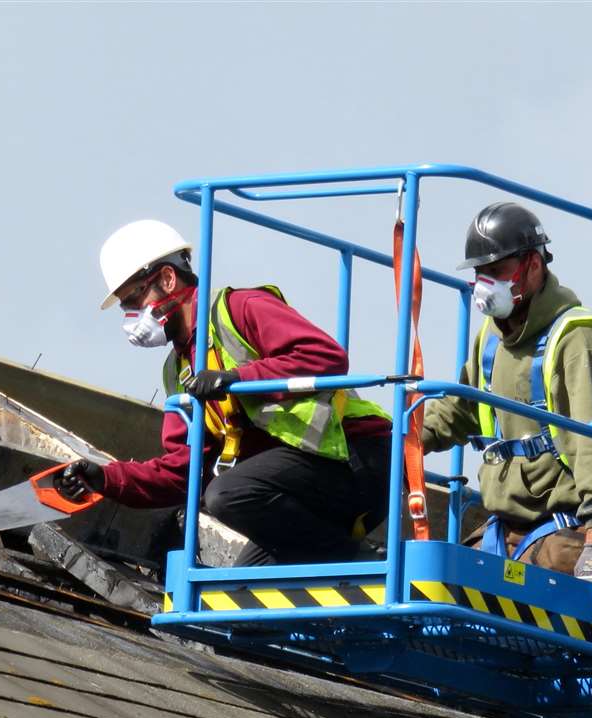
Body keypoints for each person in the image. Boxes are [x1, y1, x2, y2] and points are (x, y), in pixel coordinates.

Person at [56, 219, 393, 566]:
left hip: (355, 457)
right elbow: (183, 473)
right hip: (298, 493)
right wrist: (107, 479)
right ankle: (344, 559)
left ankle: (356, 558)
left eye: (135, 298)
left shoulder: (239, 309)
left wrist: (237, 378)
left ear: (168, 279)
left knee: (226, 493)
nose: (132, 316)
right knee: (237, 594)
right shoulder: (178, 370)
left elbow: (326, 356)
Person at [421, 202, 592, 581]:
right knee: (439, 582)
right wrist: (399, 438)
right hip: (504, 529)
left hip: (563, 527)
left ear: (534, 265)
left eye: (497, 271)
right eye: (480, 273)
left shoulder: (577, 337)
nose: (485, 284)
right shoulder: (490, 339)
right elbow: (457, 412)